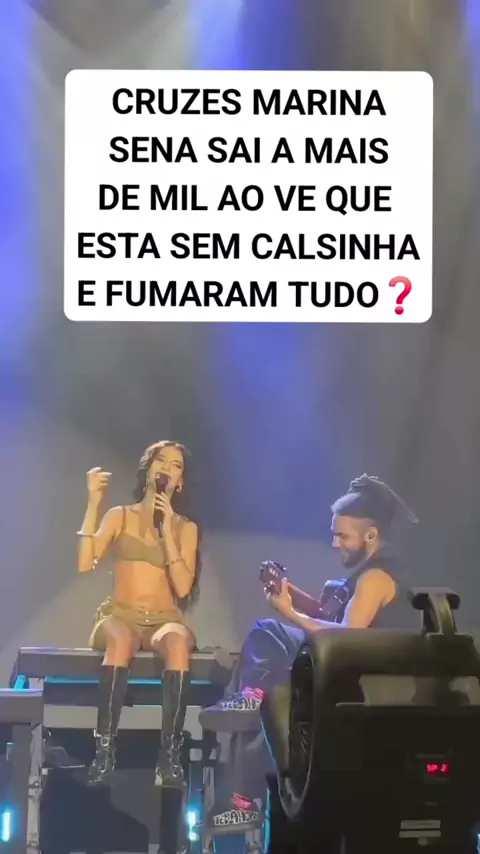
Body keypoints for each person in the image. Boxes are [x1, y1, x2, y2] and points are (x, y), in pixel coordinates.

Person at [199, 473, 418, 825]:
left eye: (342, 536)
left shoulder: (376, 578)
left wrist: (289, 613)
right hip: (334, 670)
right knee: (263, 701)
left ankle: (248, 712)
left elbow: (347, 638)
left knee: (268, 632)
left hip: (355, 682)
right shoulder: (361, 576)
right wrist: (289, 592)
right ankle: (243, 795)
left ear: (371, 535)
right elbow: (328, 615)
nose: (334, 543)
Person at [77, 440, 200, 788]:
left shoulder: (186, 528)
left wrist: (167, 532)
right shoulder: (120, 516)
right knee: (121, 638)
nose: (167, 468)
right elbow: (85, 562)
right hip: (121, 615)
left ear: (180, 483)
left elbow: (183, 587)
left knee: (177, 641)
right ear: (148, 470)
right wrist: (93, 503)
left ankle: (169, 758)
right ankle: (104, 753)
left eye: (176, 465)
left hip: (164, 618)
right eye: (161, 461)